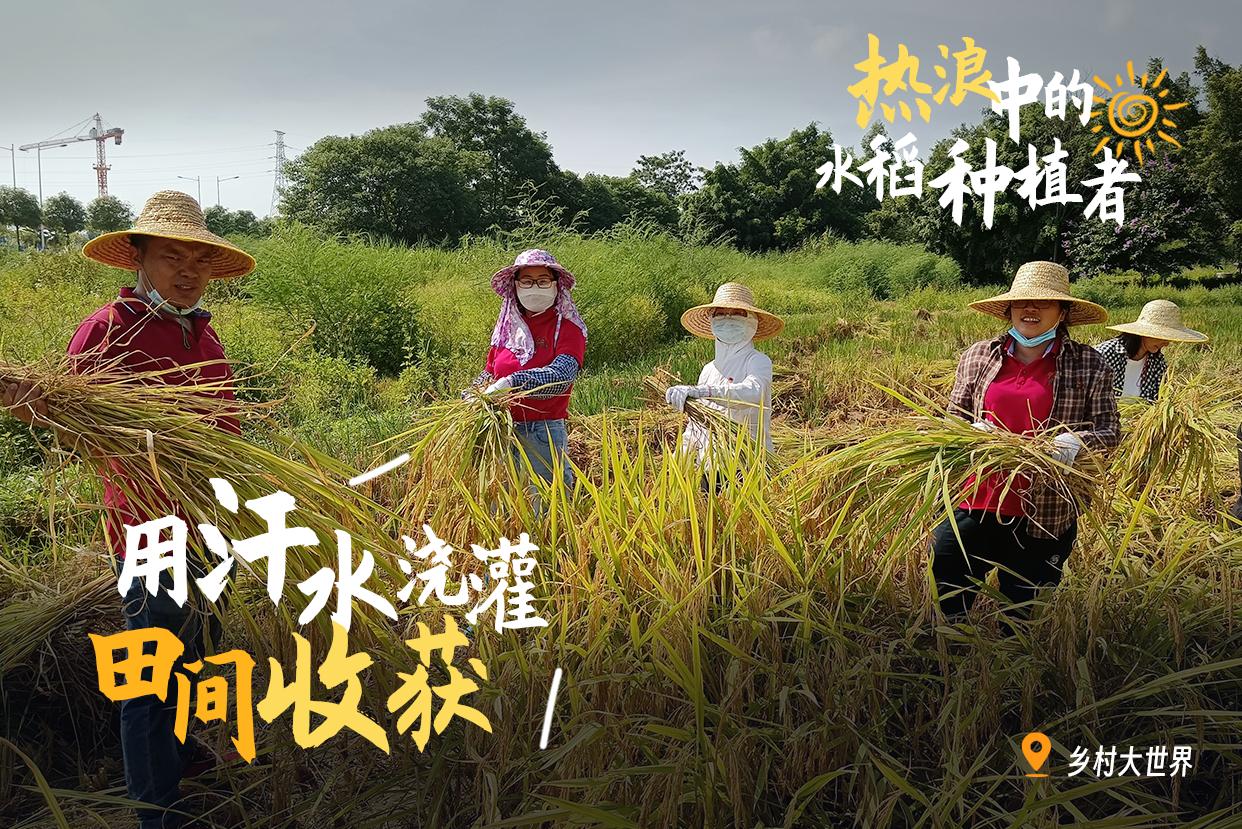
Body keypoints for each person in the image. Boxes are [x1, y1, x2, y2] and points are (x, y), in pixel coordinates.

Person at [2, 190, 254, 829]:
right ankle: (155, 810)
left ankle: (184, 762)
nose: (189, 271)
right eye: (172, 256)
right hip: (148, 527)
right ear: (137, 258)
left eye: (200, 259)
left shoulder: (203, 332)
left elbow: (225, 426)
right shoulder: (109, 329)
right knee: (152, 671)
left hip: (209, 523)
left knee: (198, 650)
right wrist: (37, 403)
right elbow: (71, 425)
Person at [930, 261, 1120, 628]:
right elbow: (952, 420)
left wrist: (1075, 442)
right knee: (950, 593)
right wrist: (970, 432)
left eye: (1043, 302)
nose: (1030, 309)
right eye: (1021, 302)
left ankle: (1012, 659)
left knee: (1021, 609)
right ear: (1009, 309)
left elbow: (1110, 431)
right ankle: (954, 654)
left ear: (1062, 312)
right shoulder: (979, 355)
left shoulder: (1088, 364)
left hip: (1044, 508)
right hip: (973, 498)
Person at [467, 249, 587, 491]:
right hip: (500, 432)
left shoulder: (567, 329)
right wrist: (473, 393)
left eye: (543, 281)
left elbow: (560, 377)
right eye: (527, 281)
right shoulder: (508, 331)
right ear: (516, 286)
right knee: (502, 503)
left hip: (541, 434)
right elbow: (490, 372)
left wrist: (513, 382)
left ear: (556, 285)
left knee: (544, 504)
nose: (535, 288)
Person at [664, 282, 784, 490]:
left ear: (752, 322)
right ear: (712, 321)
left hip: (748, 465)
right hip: (711, 468)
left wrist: (702, 391)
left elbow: (753, 392)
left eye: (736, 313)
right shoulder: (708, 370)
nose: (727, 319)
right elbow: (697, 424)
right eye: (720, 314)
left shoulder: (757, 361)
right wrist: (678, 459)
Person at [1095, 299, 1208, 401]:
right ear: (1144, 333)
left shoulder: (1157, 363)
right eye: (1163, 337)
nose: (1166, 343)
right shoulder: (1104, 355)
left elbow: (1157, 398)